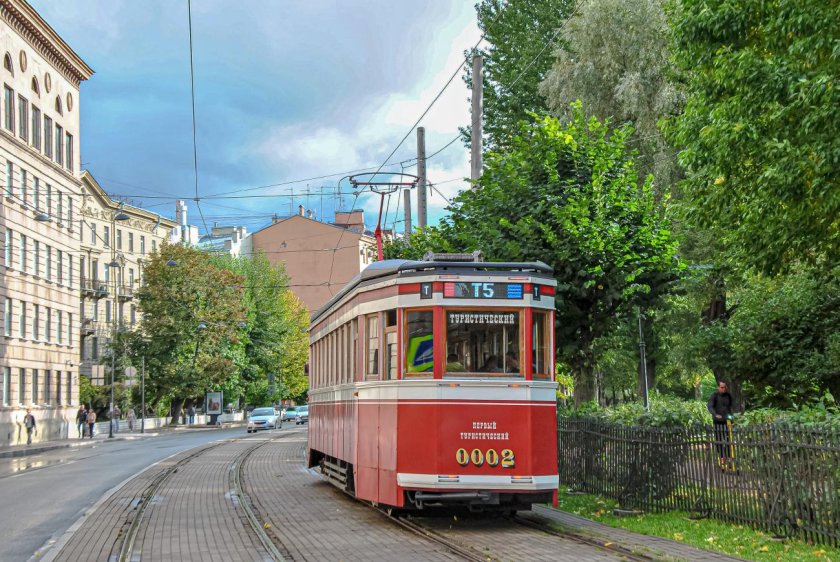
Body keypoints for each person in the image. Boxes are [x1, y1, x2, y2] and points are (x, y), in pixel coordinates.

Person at [708, 380, 734, 466]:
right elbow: (710, 406)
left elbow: (731, 407)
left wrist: (732, 417)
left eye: (725, 387)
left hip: (727, 422)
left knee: (728, 440)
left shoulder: (728, 396)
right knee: (719, 440)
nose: (724, 389)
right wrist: (715, 414)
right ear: (718, 387)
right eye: (722, 387)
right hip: (717, 422)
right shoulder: (714, 396)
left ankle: (730, 458)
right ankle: (722, 458)